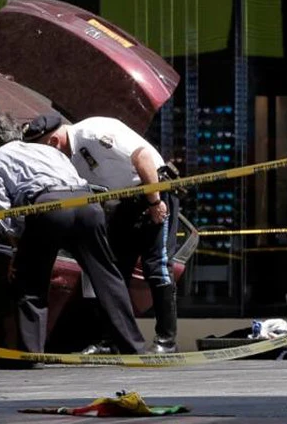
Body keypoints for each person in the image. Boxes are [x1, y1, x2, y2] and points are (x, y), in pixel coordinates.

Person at [0, 113, 146, 362]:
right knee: (107, 276)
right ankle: (134, 349)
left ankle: (31, 355)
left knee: (31, 282)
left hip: (49, 207)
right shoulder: (50, 151)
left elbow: (3, 210)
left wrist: (17, 248)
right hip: (87, 204)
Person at [23, 114, 180, 354]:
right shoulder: (70, 157)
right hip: (123, 203)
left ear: (53, 142)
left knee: (156, 267)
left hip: (153, 191)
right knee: (113, 272)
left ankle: (166, 340)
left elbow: (143, 157)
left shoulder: (93, 132)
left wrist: (154, 201)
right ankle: (110, 339)